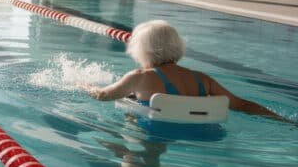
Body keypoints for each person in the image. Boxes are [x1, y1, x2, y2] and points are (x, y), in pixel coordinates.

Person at [81, 20, 286, 121]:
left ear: (142, 50)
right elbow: (242, 104)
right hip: (204, 131)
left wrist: (84, 85)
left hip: (156, 133)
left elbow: (102, 95)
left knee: (130, 120)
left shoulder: (139, 78)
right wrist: (281, 119)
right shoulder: (202, 79)